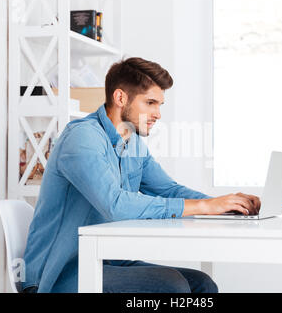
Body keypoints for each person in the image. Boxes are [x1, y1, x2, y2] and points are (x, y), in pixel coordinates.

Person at [21, 57, 261, 293]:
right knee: (171, 286)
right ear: (120, 98)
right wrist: (204, 207)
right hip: (59, 274)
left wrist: (221, 205)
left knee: (202, 283)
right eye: (150, 103)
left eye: (159, 105)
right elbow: (115, 204)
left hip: (108, 259)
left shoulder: (131, 142)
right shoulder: (83, 138)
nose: (157, 114)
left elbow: (168, 190)